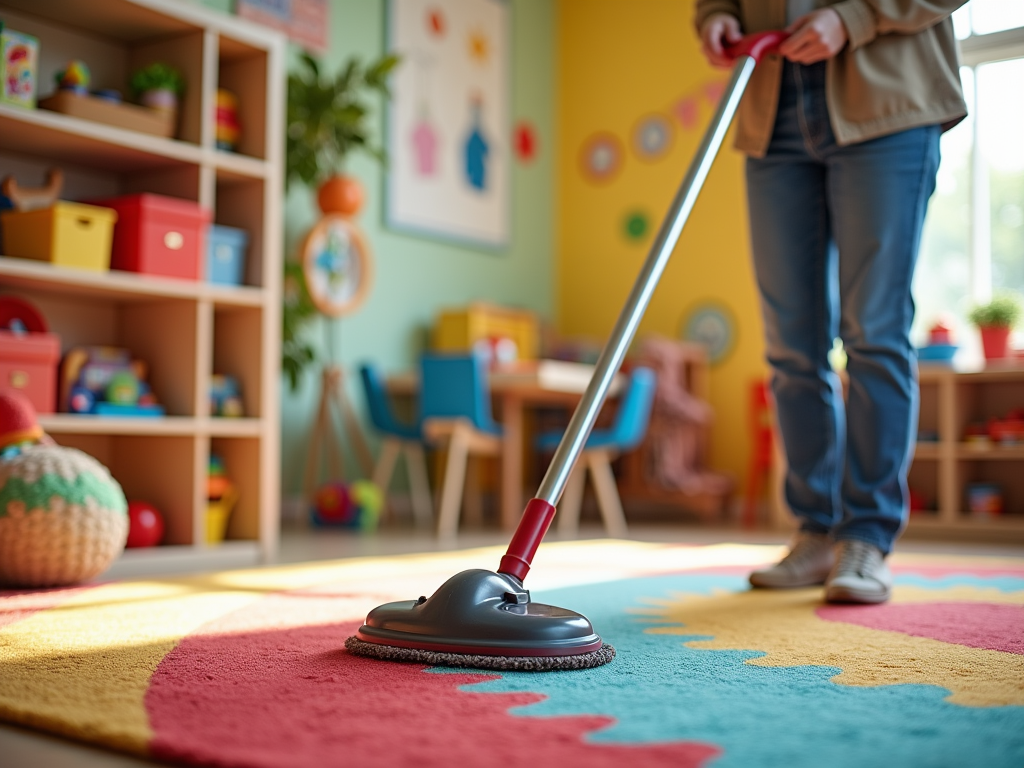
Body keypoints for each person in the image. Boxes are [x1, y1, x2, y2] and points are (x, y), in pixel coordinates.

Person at [695, 0, 968, 603]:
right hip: (773, 110)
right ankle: (816, 529)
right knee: (790, 342)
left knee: (873, 330)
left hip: (885, 102)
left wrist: (857, 17)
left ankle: (866, 535)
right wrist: (712, 15)